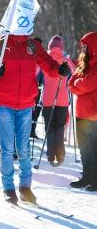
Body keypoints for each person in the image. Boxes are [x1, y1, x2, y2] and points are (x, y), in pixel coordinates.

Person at [0, 34, 70, 204]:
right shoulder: (0, 44)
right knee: (6, 149)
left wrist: (59, 69)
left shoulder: (32, 44)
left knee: (24, 148)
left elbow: (48, 64)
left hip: (26, 103)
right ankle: (8, 188)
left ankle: (25, 187)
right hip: (4, 103)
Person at [68, 32, 97, 192]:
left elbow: (87, 84)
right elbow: (72, 83)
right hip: (81, 113)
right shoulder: (83, 65)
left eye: (86, 46)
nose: (83, 49)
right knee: (84, 149)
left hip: (94, 116)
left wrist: (78, 84)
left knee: (94, 149)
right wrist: (78, 83)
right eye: (82, 46)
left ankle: (95, 180)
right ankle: (86, 177)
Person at [42, 35, 75, 165]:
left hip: (47, 98)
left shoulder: (44, 59)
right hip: (62, 99)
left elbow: (34, 73)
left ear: (50, 46)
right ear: (62, 47)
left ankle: (50, 155)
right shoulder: (66, 60)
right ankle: (60, 155)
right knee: (59, 126)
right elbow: (75, 74)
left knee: (49, 127)